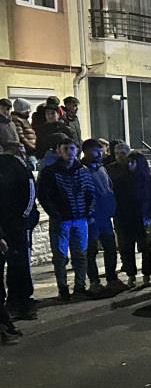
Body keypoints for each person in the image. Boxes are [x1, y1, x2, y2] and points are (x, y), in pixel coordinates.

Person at [36, 137, 94, 300]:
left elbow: (90, 192)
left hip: (80, 218)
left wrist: (89, 213)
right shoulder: (49, 172)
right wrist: (55, 213)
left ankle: (80, 287)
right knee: (60, 256)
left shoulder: (83, 170)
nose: (69, 152)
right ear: (59, 151)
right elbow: (44, 196)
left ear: (77, 151)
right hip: (61, 220)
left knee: (80, 254)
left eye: (72, 148)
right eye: (65, 149)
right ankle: (63, 289)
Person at [113, 151, 151, 288]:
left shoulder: (149, 180)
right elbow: (116, 199)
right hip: (125, 219)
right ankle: (131, 275)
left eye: (133, 162)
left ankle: (147, 275)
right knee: (127, 248)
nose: (129, 165)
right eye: (128, 162)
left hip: (144, 219)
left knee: (146, 248)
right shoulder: (121, 180)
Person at [0, 140, 36, 330]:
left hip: (9, 225)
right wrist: (24, 218)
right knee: (20, 263)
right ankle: (21, 302)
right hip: (15, 225)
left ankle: (13, 303)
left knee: (14, 263)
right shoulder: (19, 167)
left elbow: (29, 194)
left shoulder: (15, 167)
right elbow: (30, 193)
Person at [80, 139, 120, 293]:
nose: (100, 154)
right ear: (86, 152)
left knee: (110, 248)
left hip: (105, 216)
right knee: (91, 251)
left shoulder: (101, 168)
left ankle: (112, 279)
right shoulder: (82, 170)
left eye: (101, 151)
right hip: (92, 217)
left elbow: (109, 188)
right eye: (96, 151)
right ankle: (94, 282)